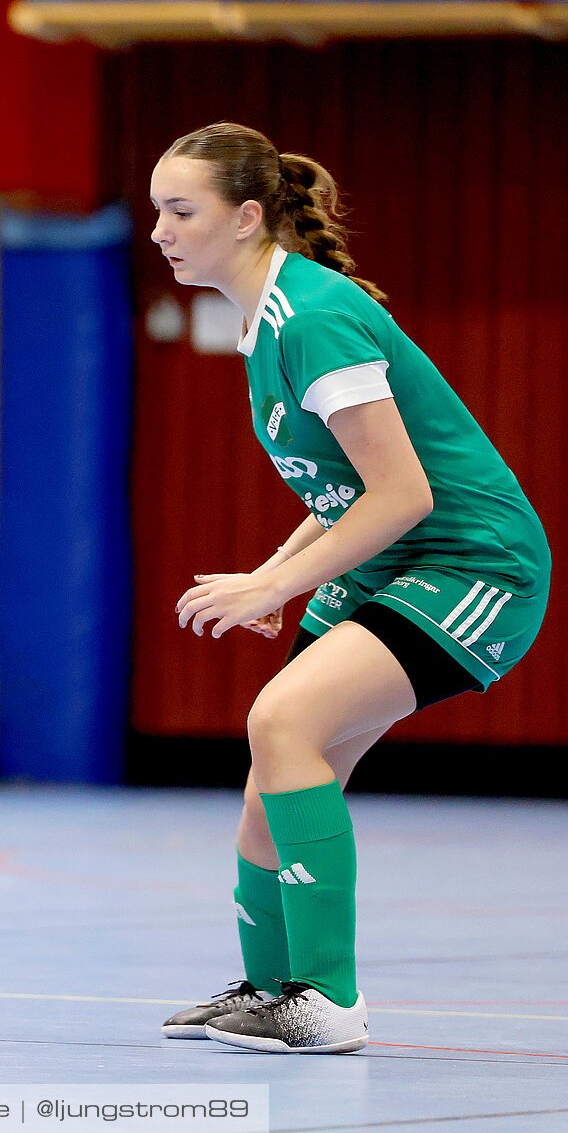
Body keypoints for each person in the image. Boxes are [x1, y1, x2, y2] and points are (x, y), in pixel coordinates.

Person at [148, 122, 549, 1054]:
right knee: (274, 771)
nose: (160, 230)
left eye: (181, 210)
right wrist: (277, 576)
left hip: (471, 565)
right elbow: (343, 489)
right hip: (392, 556)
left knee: (280, 722)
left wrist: (272, 586)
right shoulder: (263, 320)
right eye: (157, 210)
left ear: (247, 217)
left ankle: (326, 1000)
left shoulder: (314, 315)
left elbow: (404, 492)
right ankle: (269, 985)